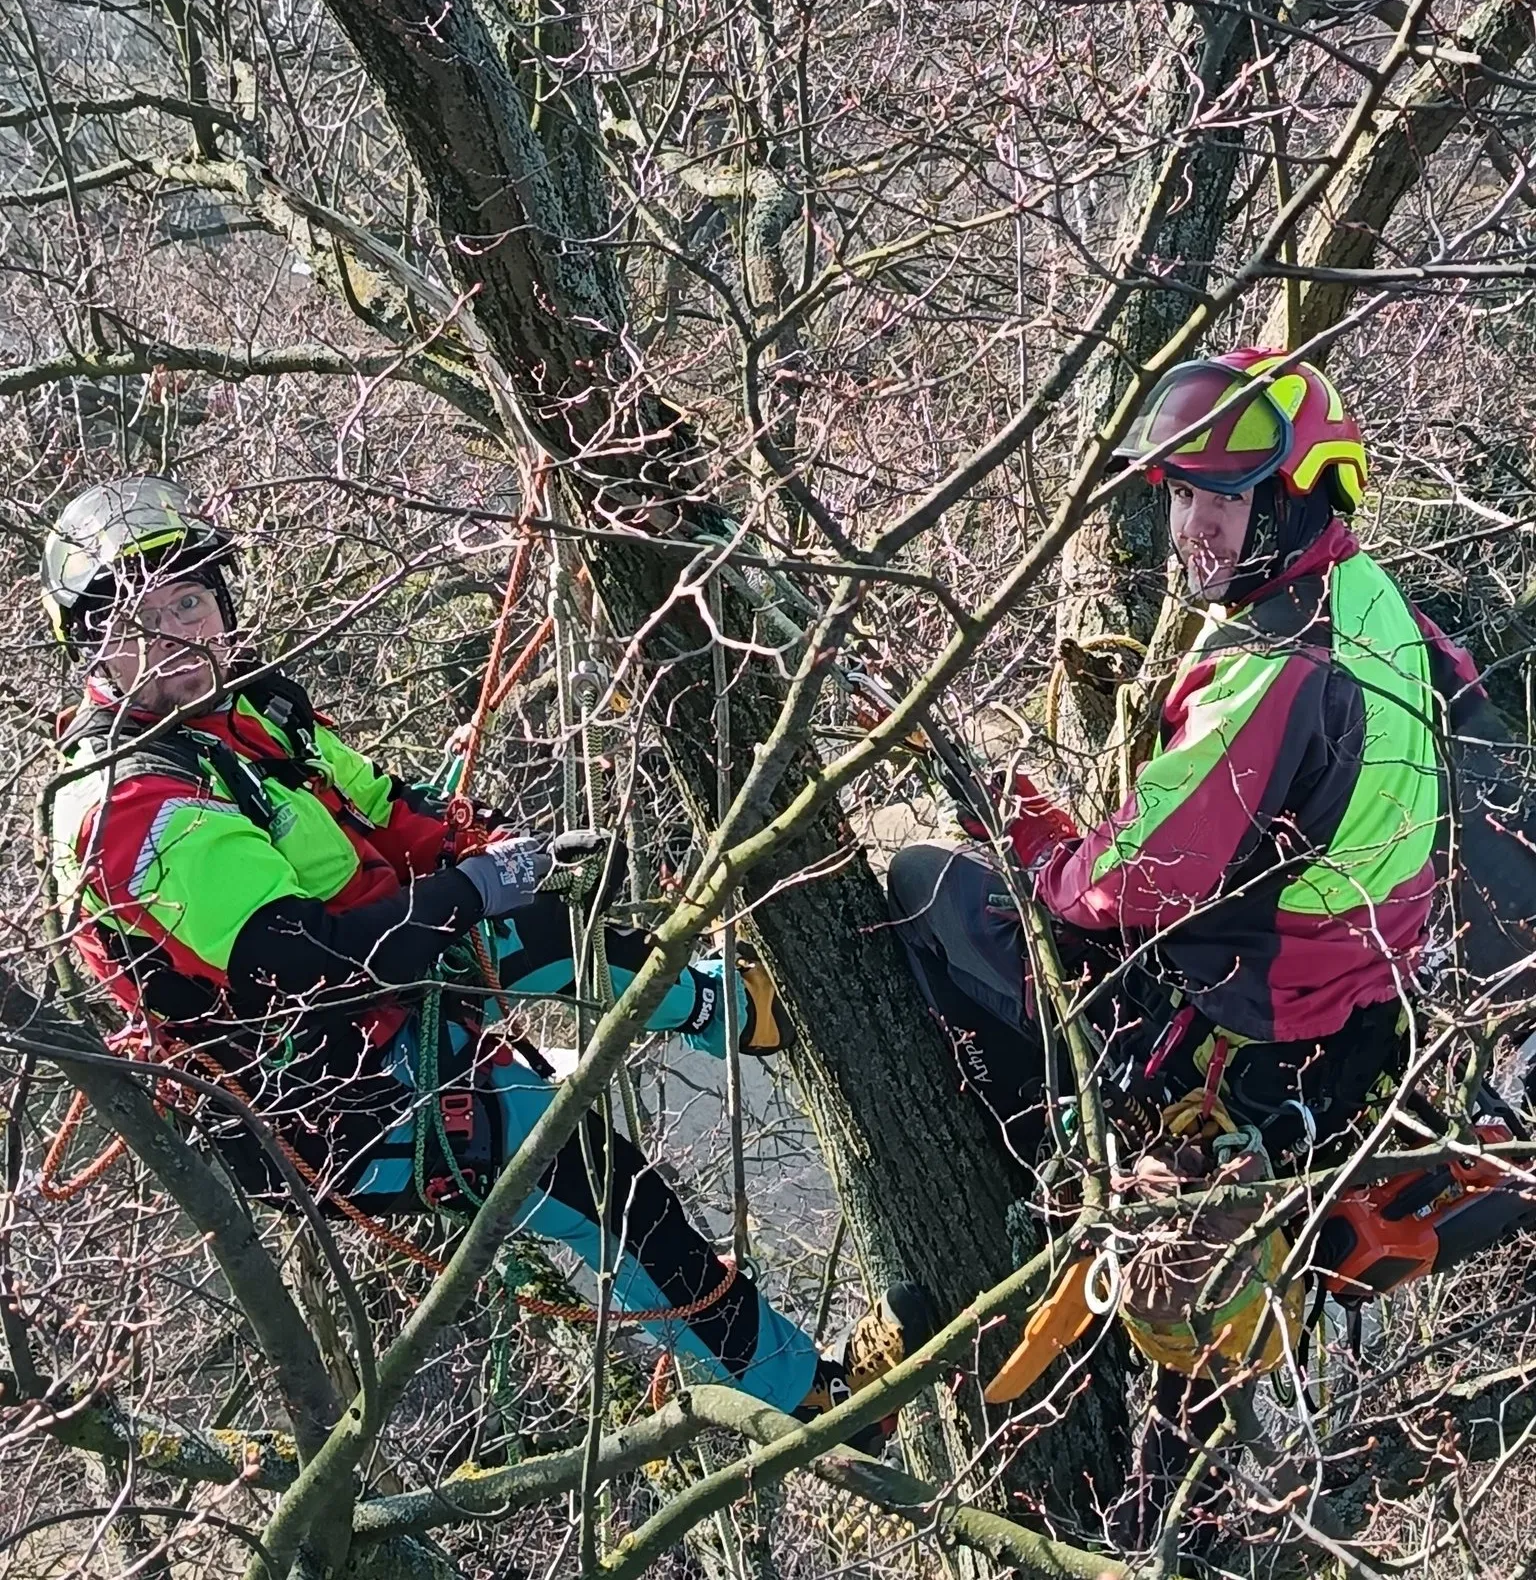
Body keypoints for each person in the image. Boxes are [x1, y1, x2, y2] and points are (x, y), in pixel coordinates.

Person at [41, 476, 928, 1428]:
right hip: (330, 1103)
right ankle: (803, 1394)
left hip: (385, 1008)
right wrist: (474, 894)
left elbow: (381, 809)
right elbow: (303, 959)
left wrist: (496, 850)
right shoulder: (126, 802)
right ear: (93, 647)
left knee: (551, 931)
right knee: (602, 1183)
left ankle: (749, 1010)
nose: (177, 638)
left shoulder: (253, 711)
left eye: (190, 602)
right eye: (139, 622)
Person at [887, 347, 1474, 1172]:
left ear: (1293, 500)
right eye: (1185, 493)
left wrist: (1044, 854)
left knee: (926, 884)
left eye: (1226, 498)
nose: (1193, 526)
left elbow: (1136, 877)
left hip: (1237, 1031)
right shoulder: (1369, 599)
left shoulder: (1280, 662)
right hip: (1353, 1017)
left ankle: (1025, 1168)